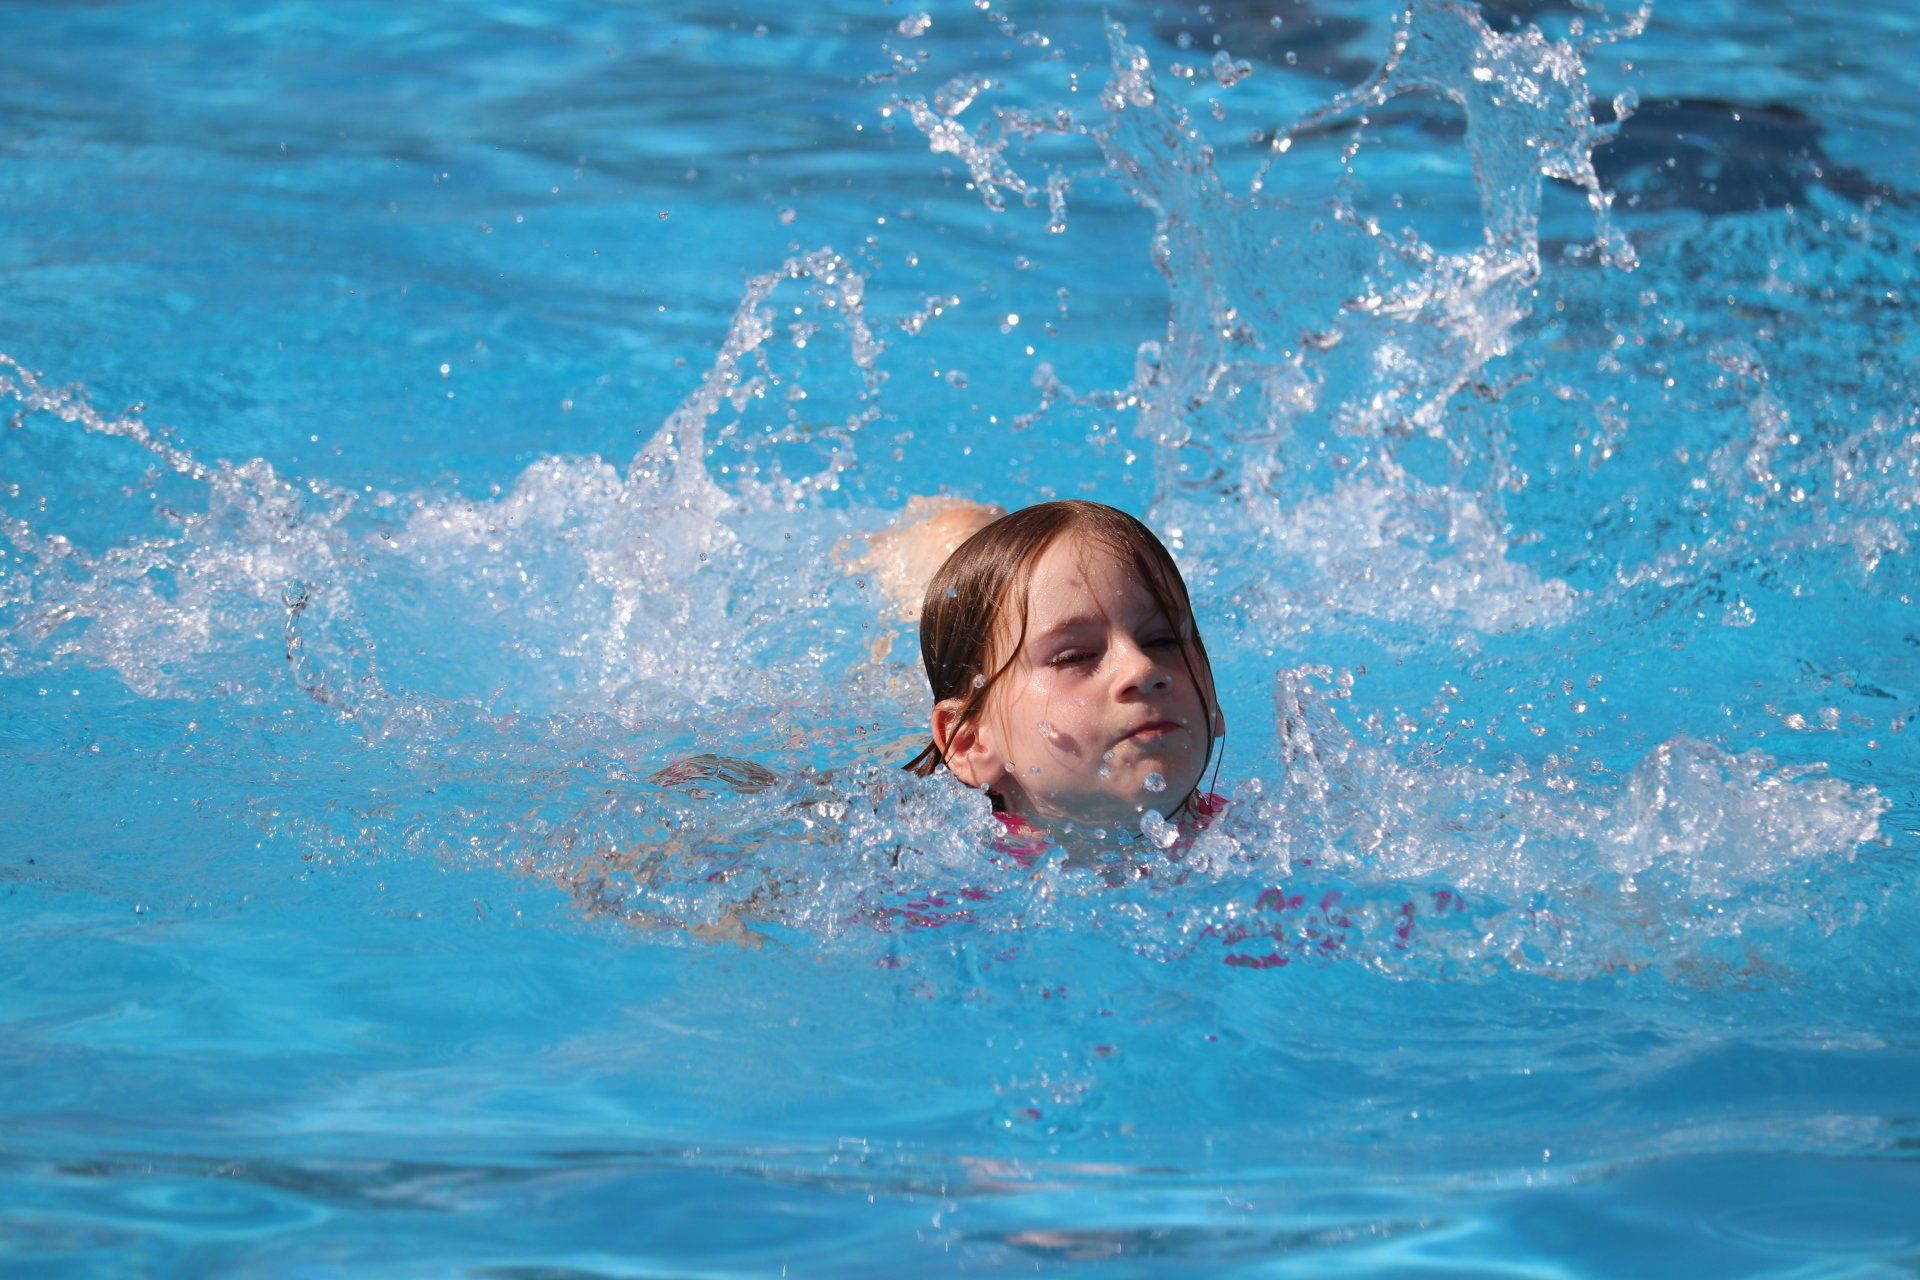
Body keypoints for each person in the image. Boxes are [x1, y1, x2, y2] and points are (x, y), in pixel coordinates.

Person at [900, 499, 1225, 841]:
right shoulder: (944, 863)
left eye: (1163, 641)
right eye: (1075, 657)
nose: (1142, 667)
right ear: (971, 743)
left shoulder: (1249, 837)